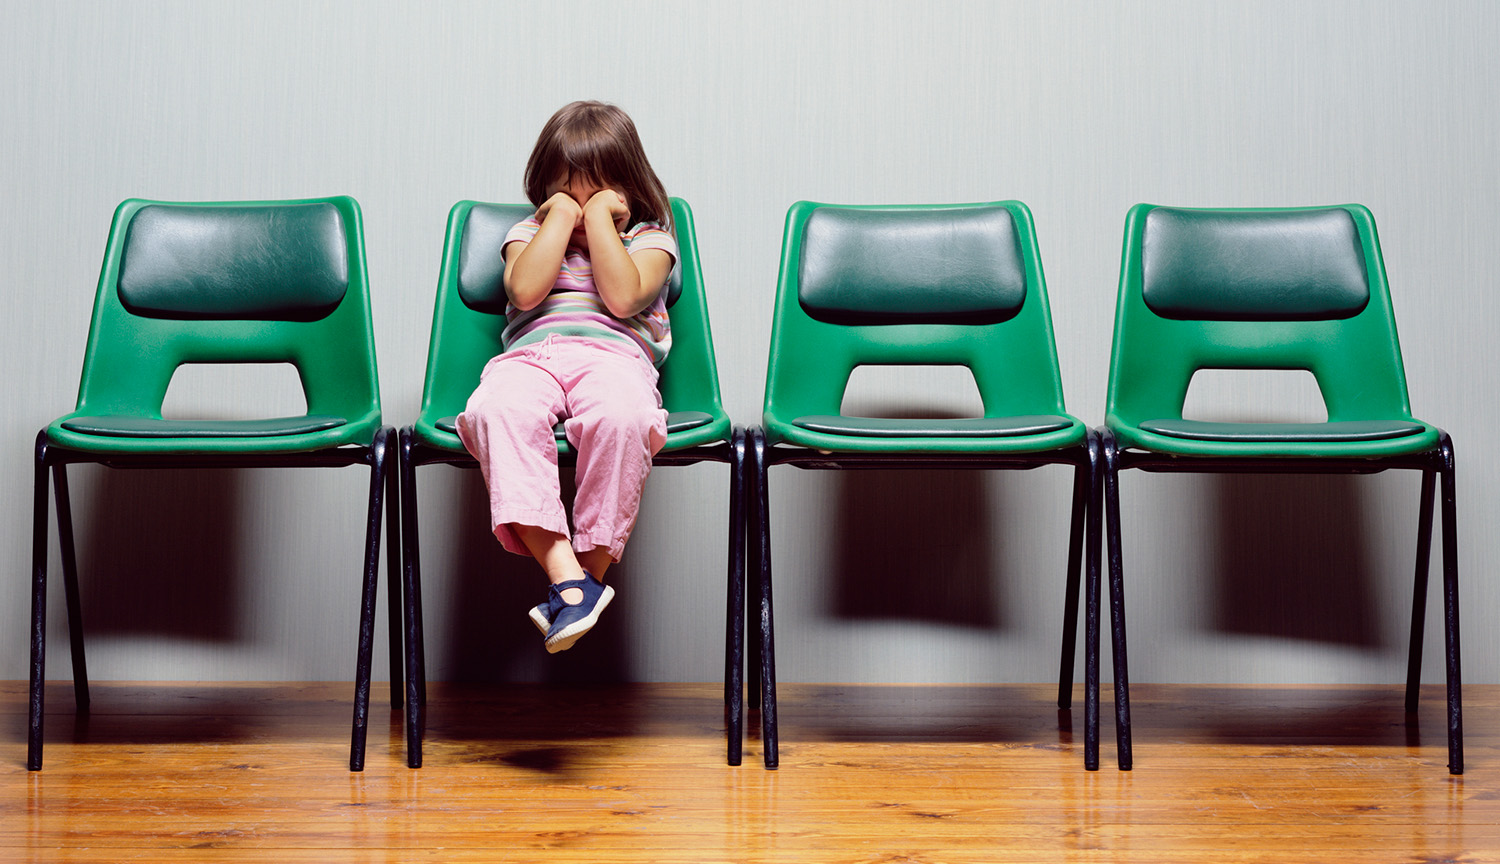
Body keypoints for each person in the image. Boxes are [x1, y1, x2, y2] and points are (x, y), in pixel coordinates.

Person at [456, 101, 676, 653]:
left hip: (615, 359)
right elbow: (525, 292)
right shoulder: (526, 232)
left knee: (625, 417)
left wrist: (602, 223)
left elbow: (625, 297)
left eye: (596, 195)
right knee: (495, 411)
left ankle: (585, 577)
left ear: (628, 188)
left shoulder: (650, 239)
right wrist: (553, 219)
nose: (581, 210)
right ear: (545, 189)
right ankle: (569, 581)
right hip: (531, 359)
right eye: (567, 195)